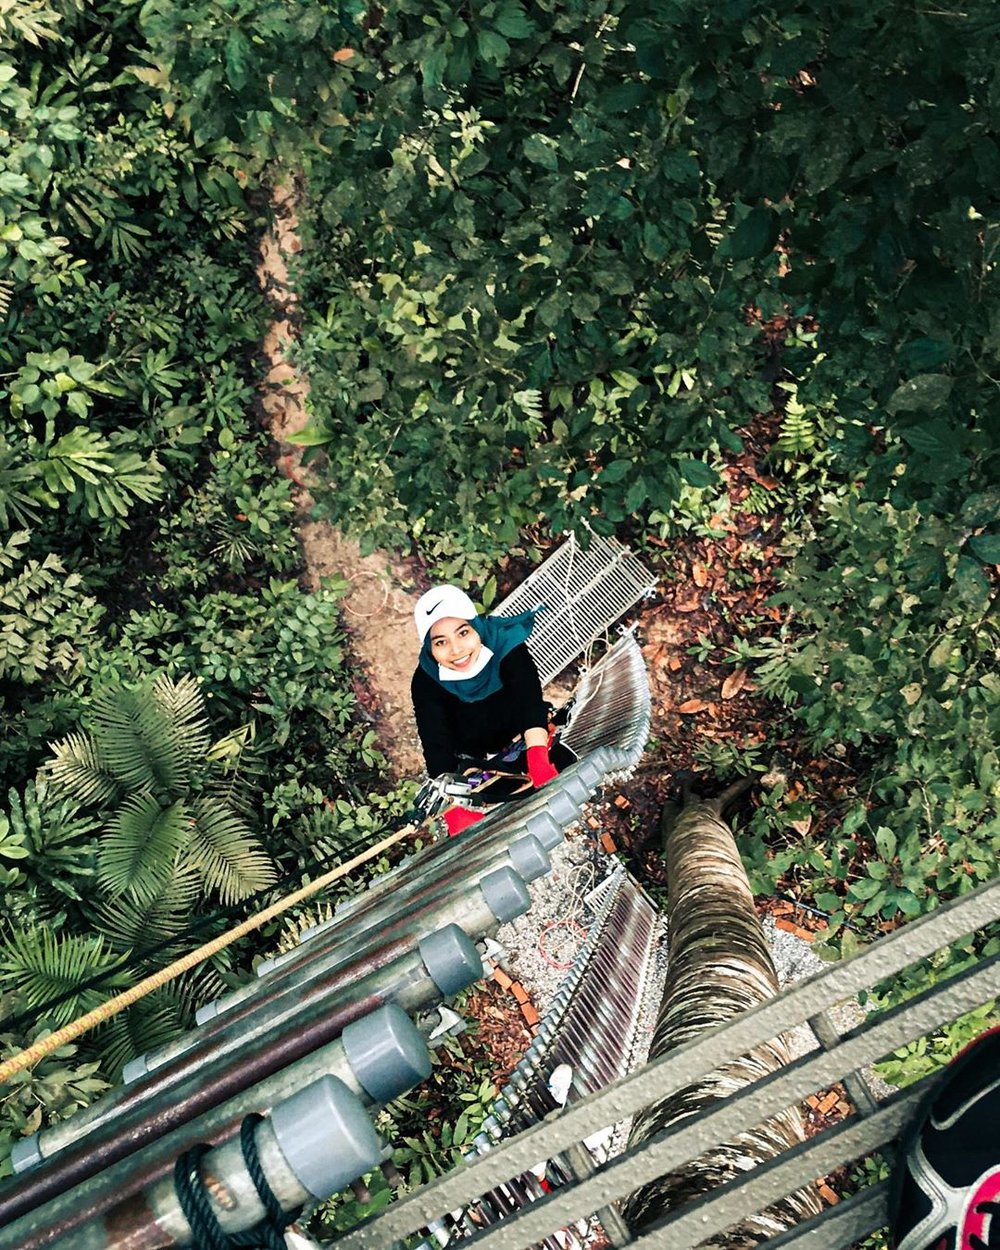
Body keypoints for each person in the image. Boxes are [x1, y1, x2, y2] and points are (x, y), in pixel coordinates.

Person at [411, 584, 562, 836]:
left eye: (463, 632)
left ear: (476, 627)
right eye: (440, 642)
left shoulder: (506, 645)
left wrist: (537, 759)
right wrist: (453, 807)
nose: (456, 650)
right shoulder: (426, 680)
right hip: (470, 751)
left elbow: (529, 701)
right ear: (430, 648)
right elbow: (436, 742)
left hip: (520, 733)